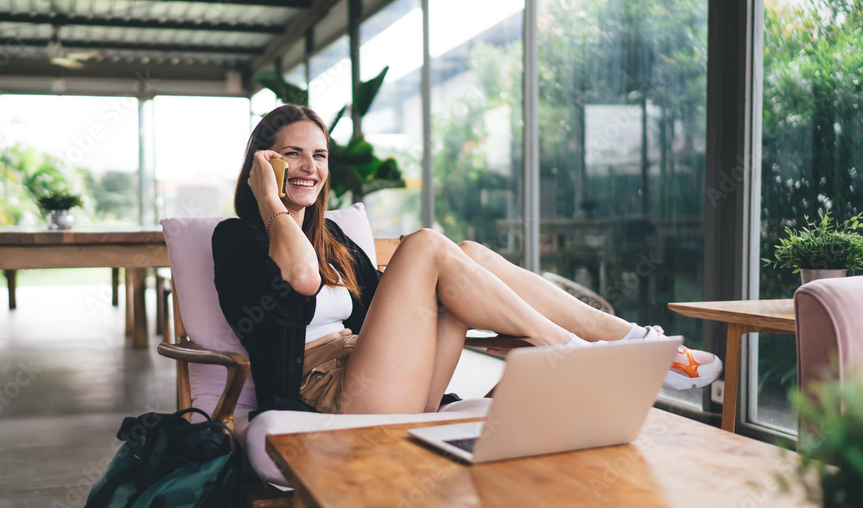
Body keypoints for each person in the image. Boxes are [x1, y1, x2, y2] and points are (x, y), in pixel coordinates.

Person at [212, 105, 722, 417]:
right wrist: (270, 201)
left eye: (320, 155)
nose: (310, 166)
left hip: (384, 373)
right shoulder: (237, 238)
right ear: (263, 161)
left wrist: (477, 312)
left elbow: (387, 313)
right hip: (327, 391)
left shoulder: (334, 237)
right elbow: (299, 278)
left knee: (469, 255)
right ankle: (575, 348)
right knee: (428, 244)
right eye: (292, 154)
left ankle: (629, 339)